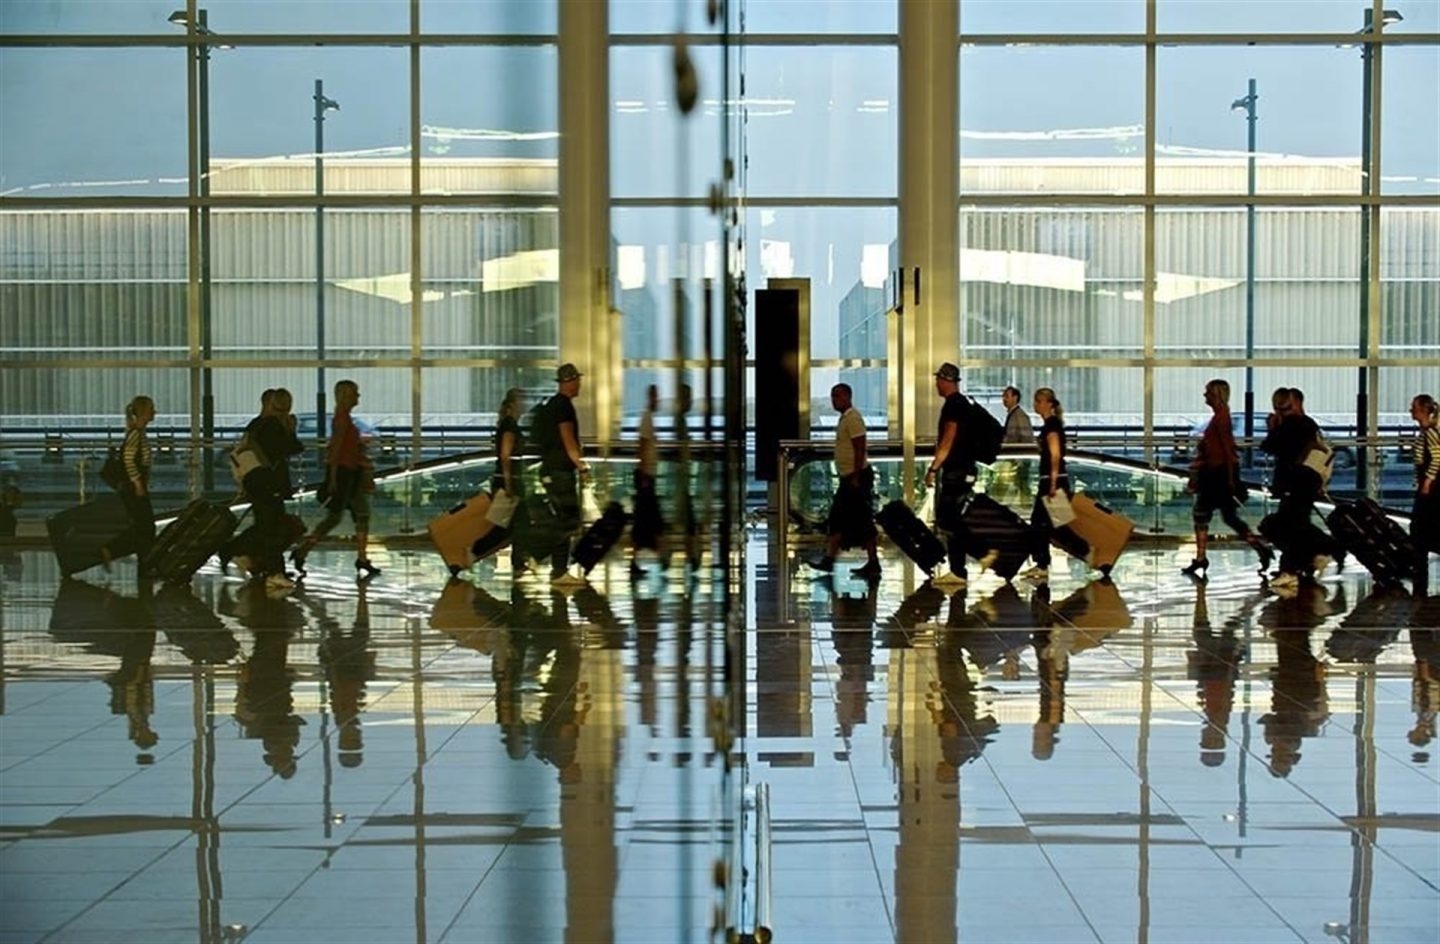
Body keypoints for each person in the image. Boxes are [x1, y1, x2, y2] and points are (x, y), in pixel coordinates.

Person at [1182, 379, 1274, 580]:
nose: (1204, 395)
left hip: (1216, 475)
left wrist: (1231, 478)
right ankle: (1259, 548)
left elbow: (1224, 448)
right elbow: (1227, 447)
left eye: (1207, 392)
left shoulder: (1221, 418)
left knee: (1201, 514)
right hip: (1221, 474)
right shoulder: (1221, 417)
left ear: (1216, 394)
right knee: (1229, 517)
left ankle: (1201, 557)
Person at [291, 380, 378, 581]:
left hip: (349, 473)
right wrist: (332, 477)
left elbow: (340, 447)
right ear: (345, 395)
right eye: (354, 393)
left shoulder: (344, 418)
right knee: (338, 516)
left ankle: (361, 557)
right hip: (344, 473)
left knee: (358, 514)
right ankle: (304, 550)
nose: (358, 397)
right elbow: (336, 447)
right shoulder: (341, 419)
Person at [1259, 386, 1337, 589]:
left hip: (1295, 483)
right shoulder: (1309, 425)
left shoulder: (1293, 425)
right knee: (1297, 524)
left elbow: (1270, 445)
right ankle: (1312, 557)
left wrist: (1273, 428)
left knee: (1286, 526)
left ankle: (1294, 567)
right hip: (1307, 482)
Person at [234, 387, 305, 590]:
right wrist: (291, 429)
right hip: (270, 483)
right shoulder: (273, 425)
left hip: (253, 480)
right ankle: (272, 570)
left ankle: (255, 559)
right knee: (272, 528)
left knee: (265, 524)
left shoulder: (254, 425)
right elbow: (292, 447)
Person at [809, 383, 881, 579]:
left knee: (856, 519)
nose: (834, 400)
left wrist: (856, 476)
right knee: (842, 519)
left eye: (838, 396)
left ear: (848, 397)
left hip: (855, 478)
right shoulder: (845, 419)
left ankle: (863, 562)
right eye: (832, 396)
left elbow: (860, 447)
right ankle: (831, 560)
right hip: (849, 478)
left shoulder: (853, 419)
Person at [923, 363, 974, 588]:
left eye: (938, 380)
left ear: (946, 381)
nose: (936, 385)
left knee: (950, 519)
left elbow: (948, 439)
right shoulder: (961, 404)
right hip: (962, 470)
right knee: (952, 519)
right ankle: (960, 567)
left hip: (956, 471)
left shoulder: (954, 405)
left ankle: (963, 567)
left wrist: (933, 468)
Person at [539, 363, 589, 586]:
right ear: (570, 382)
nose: (580, 384)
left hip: (552, 469)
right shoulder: (563, 406)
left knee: (565, 519)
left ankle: (556, 568)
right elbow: (568, 439)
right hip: (560, 471)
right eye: (577, 380)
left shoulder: (553, 404)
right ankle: (547, 560)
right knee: (568, 520)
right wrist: (582, 466)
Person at [1020, 387, 1071, 584]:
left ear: (1049, 403)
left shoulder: (1052, 426)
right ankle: (1042, 562)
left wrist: (1052, 483)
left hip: (1052, 481)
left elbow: (1055, 455)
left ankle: (1043, 563)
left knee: (1044, 523)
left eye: (1039, 401)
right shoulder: (1051, 425)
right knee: (1054, 524)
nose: (1036, 405)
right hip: (1053, 480)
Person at [105, 395, 157, 570]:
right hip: (133, 487)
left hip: (134, 486)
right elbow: (129, 460)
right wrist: (138, 484)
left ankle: (143, 562)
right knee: (145, 526)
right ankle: (112, 550)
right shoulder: (136, 434)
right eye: (151, 409)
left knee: (143, 525)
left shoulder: (138, 432)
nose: (154, 412)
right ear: (143, 412)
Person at [630, 384, 665, 578]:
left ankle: (648, 559)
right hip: (646, 476)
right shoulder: (647, 418)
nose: (658, 400)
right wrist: (644, 473)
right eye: (656, 397)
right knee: (650, 520)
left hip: (647, 474)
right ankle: (661, 558)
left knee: (645, 521)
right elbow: (642, 445)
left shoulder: (648, 418)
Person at [1409, 393, 1440, 592]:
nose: (1411, 411)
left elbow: (1437, 458)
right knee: (1425, 528)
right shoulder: (1427, 431)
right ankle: (1419, 569)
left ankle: (1419, 572)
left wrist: (1427, 481)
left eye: (1414, 407)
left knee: (1419, 528)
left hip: (1431, 488)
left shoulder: (1430, 432)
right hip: (1429, 486)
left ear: (1423, 410)